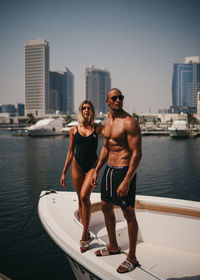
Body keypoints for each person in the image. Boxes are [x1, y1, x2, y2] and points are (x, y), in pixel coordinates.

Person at [91, 88, 142, 273]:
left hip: (124, 171)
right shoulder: (108, 121)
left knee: (128, 212)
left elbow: (137, 154)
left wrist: (127, 180)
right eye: (115, 98)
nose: (118, 100)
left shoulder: (129, 122)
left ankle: (132, 257)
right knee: (105, 206)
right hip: (110, 170)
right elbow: (105, 148)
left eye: (121, 97)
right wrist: (97, 169)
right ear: (108, 101)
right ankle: (113, 245)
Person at [60, 100, 103, 253]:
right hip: (77, 166)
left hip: (92, 166)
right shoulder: (73, 130)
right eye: (84, 108)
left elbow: (112, 140)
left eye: (89, 108)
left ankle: (85, 234)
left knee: (85, 196)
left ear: (92, 111)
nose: (86, 110)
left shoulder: (98, 128)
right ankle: (85, 225)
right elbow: (70, 152)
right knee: (80, 198)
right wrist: (64, 172)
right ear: (80, 111)